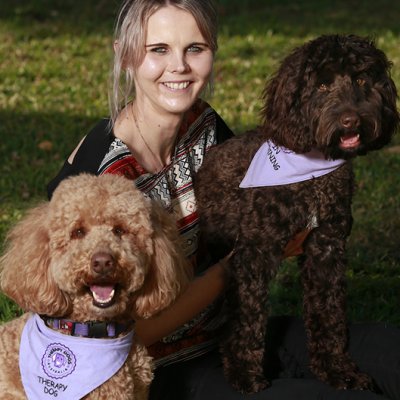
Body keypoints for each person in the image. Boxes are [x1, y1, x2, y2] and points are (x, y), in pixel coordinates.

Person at [47, 1, 400, 399]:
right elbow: (114, 332)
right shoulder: (100, 174)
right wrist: (235, 267)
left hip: (233, 329)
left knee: (392, 354)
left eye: (194, 49)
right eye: (158, 49)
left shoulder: (205, 125)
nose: (179, 66)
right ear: (126, 55)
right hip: (154, 368)